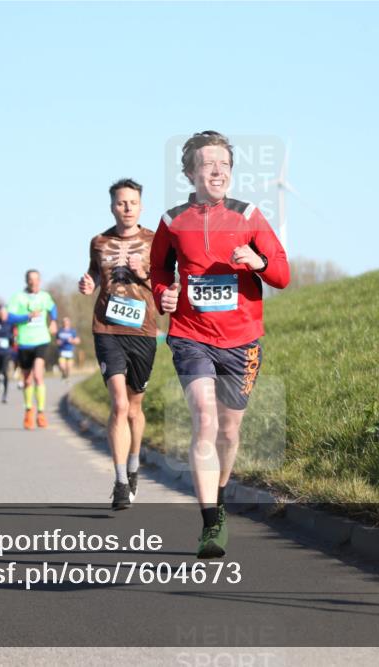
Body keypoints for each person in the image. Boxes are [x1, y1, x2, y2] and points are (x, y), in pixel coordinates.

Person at [151, 131, 290, 558]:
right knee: (205, 421)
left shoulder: (249, 215)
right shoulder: (172, 221)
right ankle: (210, 523)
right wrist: (164, 296)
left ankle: (221, 496)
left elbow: (283, 274)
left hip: (242, 340)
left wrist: (259, 262)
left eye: (224, 165)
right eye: (208, 164)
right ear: (190, 171)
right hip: (191, 336)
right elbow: (158, 274)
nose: (217, 171)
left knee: (229, 430)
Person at [79, 178, 158, 510]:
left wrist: (145, 272)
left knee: (135, 407)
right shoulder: (99, 241)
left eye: (133, 203)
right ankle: (120, 483)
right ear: (112, 206)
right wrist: (89, 281)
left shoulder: (156, 240)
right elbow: (95, 273)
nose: (127, 208)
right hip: (107, 328)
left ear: (141, 206)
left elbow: (168, 282)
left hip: (142, 330)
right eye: (121, 203)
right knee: (119, 405)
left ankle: (134, 464)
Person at [7, 270, 58, 429]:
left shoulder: (44, 296)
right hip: (24, 342)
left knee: (38, 375)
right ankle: (29, 410)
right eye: (31, 280)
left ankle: (41, 413)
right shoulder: (18, 297)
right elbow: (10, 317)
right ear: (27, 281)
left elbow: (52, 307)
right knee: (27, 379)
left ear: (40, 281)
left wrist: (54, 321)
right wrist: (26, 317)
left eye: (36, 279)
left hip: (41, 340)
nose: (34, 282)